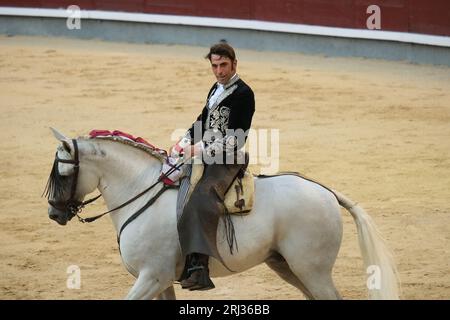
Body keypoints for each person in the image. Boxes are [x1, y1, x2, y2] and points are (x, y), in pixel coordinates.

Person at [165, 42, 255, 291]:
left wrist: (199, 150)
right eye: (214, 66)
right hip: (206, 154)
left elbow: (236, 139)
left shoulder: (244, 94)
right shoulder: (216, 89)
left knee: (201, 197)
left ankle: (199, 268)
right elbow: (202, 121)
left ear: (234, 64)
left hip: (227, 159)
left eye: (223, 65)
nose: (219, 71)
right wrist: (183, 142)